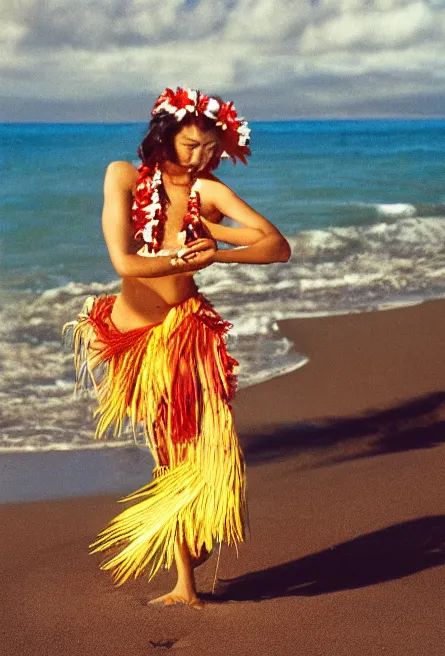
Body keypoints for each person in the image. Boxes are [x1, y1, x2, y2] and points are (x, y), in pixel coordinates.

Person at [63, 87, 291, 609]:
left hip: (186, 332)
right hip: (138, 340)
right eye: (191, 146)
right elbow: (124, 262)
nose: (201, 159)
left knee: (211, 447)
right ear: (165, 137)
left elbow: (277, 246)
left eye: (211, 149)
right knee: (170, 453)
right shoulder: (122, 175)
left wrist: (217, 251)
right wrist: (178, 258)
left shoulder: (209, 193)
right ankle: (184, 582)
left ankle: (197, 535)